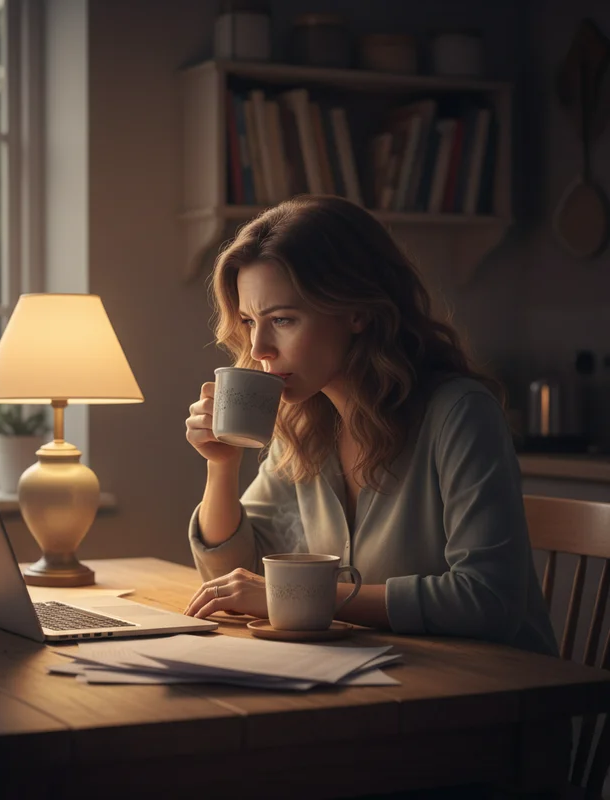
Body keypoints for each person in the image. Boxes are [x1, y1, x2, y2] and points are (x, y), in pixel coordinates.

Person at [183, 194, 557, 658]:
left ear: (356, 312)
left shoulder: (460, 413)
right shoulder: (304, 423)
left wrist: (303, 598)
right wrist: (221, 466)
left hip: (491, 699)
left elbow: (488, 599)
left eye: (282, 319)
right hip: (372, 677)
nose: (259, 347)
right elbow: (237, 579)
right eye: (248, 321)